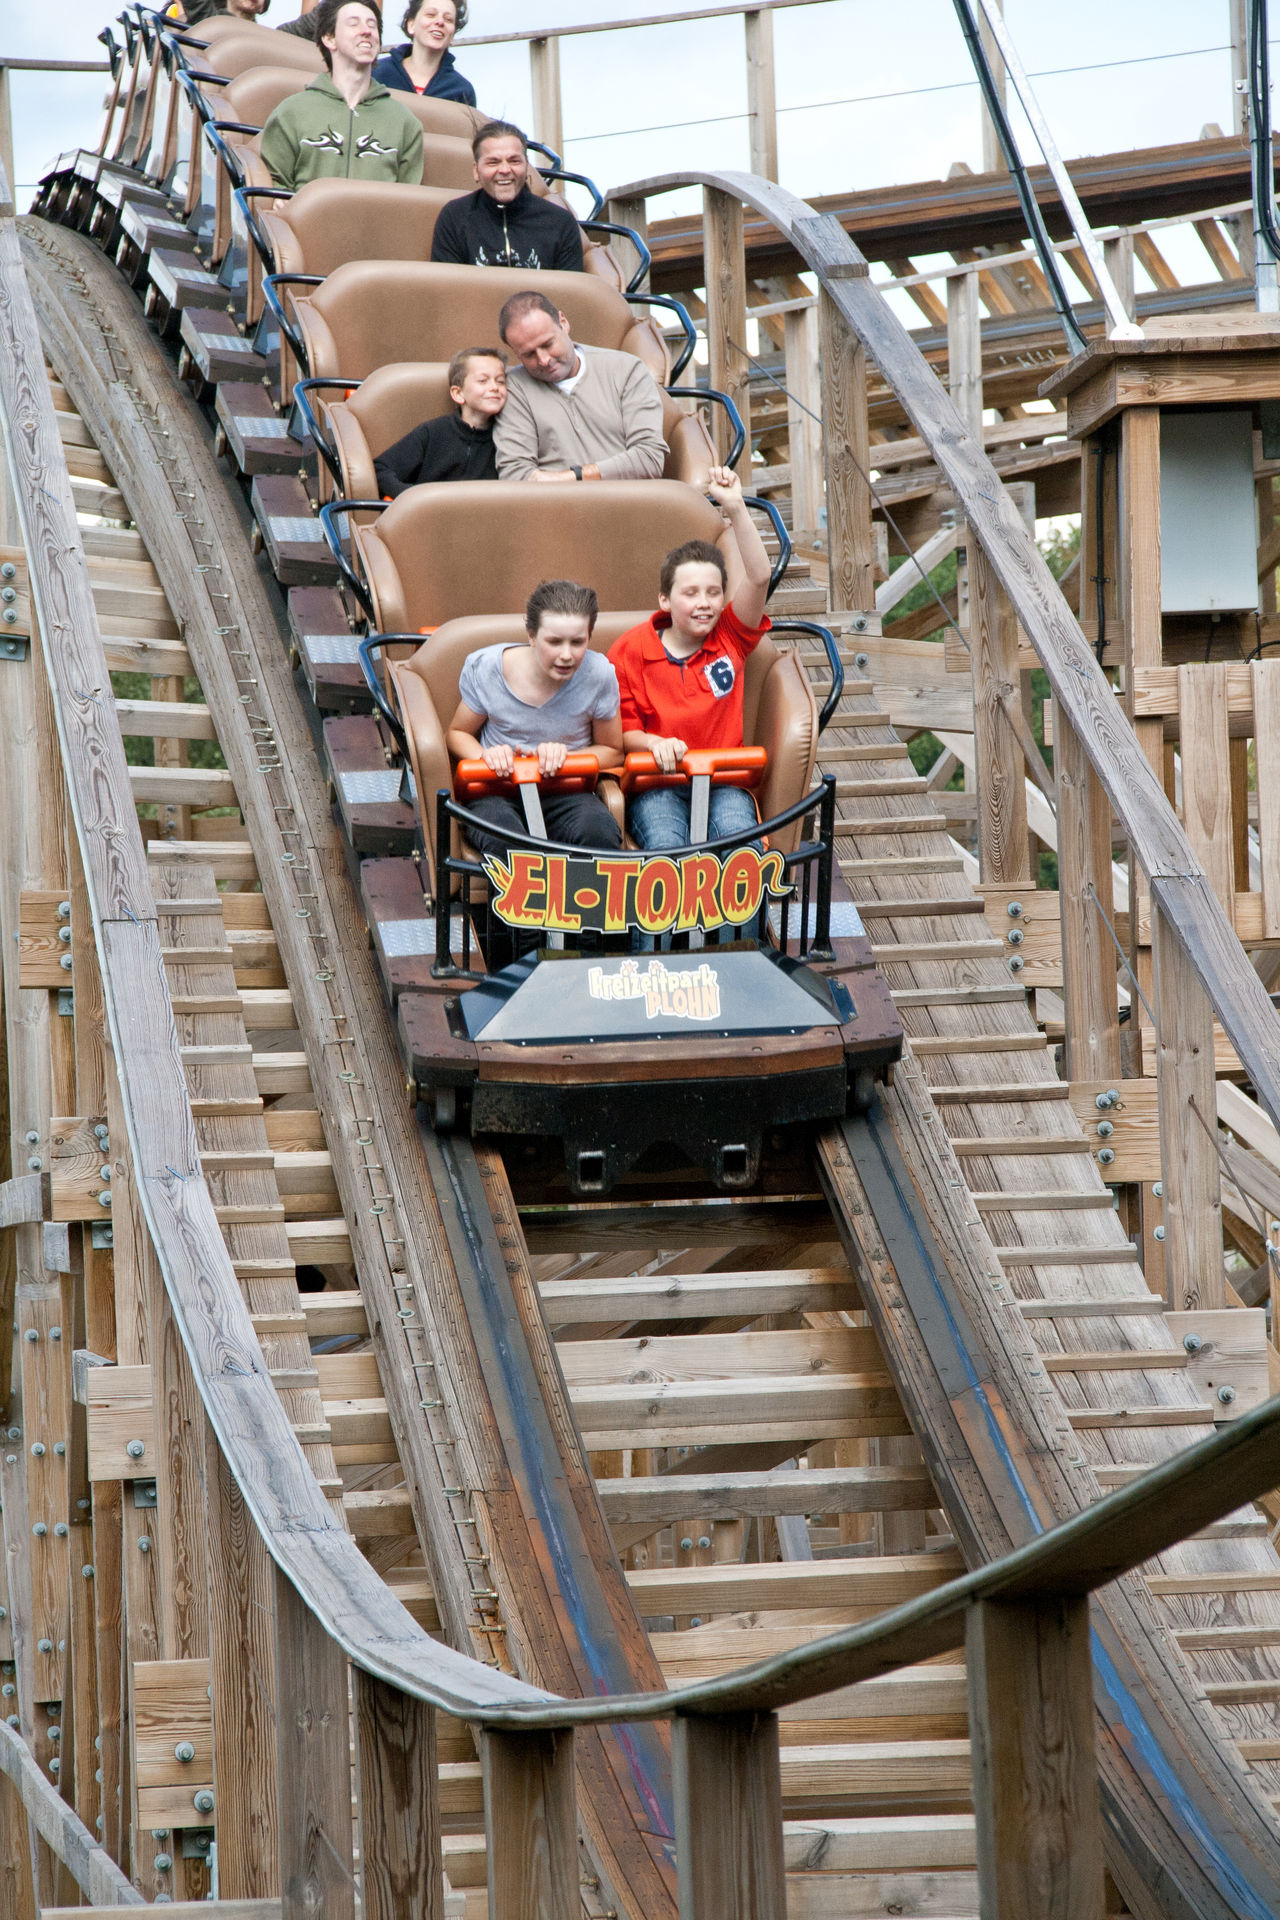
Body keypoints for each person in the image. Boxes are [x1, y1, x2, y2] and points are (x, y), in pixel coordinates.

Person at [609, 468, 771, 852]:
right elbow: (622, 732)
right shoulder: (629, 651)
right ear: (665, 600)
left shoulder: (729, 636)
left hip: (724, 782)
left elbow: (759, 576)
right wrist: (653, 743)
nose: (704, 603)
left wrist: (736, 508)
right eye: (691, 593)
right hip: (659, 783)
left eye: (713, 592)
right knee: (668, 845)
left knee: (740, 846)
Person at [446, 580, 623, 858]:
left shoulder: (599, 674)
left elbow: (613, 750)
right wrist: (486, 756)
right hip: (498, 789)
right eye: (554, 642)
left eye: (578, 642)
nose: (566, 655)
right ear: (531, 636)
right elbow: (457, 733)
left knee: (598, 833)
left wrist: (566, 757)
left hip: (565, 788)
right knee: (507, 843)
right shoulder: (488, 667)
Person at [493, 291, 666, 485]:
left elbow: (650, 458)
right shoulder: (513, 388)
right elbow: (516, 476)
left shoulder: (626, 369)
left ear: (563, 322)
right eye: (529, 354)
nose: (543, 360)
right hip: (553, 504)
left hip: (628, 500)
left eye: (548, 344)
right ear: (515, 352)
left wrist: (574, 476)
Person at [260, 0, 424, 193]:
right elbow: (273, 187)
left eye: (372, 25)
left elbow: (407, 200)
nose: (366, 31)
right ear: (329, 38)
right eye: (354, 24)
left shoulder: (405, 123)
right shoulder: (291, 112)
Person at [430, 122, 582, 273]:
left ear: (527, 167)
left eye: (514, 161)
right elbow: (446, 285)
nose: (504, 170)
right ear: (476, 171)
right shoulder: (454, 217)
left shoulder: (561, 223)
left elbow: (568, 288)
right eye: (493, 162)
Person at [374, 347, 506, 495]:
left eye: (500, 381)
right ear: (458, 393)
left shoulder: (507, 437)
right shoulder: (432, 432)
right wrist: (413, 497)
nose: (494, 387)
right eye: (483, 381)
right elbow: (381, 469)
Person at [373, 0, 475, 104]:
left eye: (448, 19)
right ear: (411, 25)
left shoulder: (462, 90)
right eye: (431, 14)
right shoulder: (377, 74)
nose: (440, 22)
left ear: (452, 35)